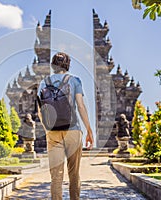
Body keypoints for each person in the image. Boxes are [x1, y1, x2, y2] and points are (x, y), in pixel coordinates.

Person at [37, 52, 94, 200]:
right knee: (74, 175)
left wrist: (47, 130)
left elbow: (40, 110)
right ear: (67, 65)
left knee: (56, 177)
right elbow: (80, 106)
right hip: (73, 131)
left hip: (53, 133)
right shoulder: (75, 81)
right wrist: (88, 130)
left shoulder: (44, 82)